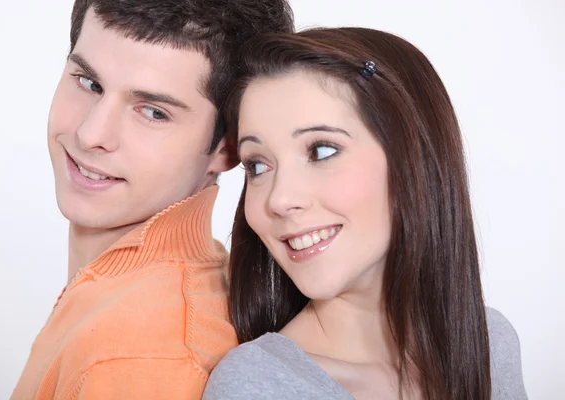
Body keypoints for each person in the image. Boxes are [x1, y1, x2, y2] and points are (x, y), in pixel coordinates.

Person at [202, 28, 527, 399]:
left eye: (321, 151)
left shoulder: (490, 343)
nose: (279, 199)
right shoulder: (258, 384)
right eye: (258, 166)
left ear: (413, 158)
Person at [11, 1, 294, 399]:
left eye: (153, 112)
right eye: (89, 83)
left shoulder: (140, 356)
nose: (92, 134)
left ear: (228, 147)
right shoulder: (124, 307)